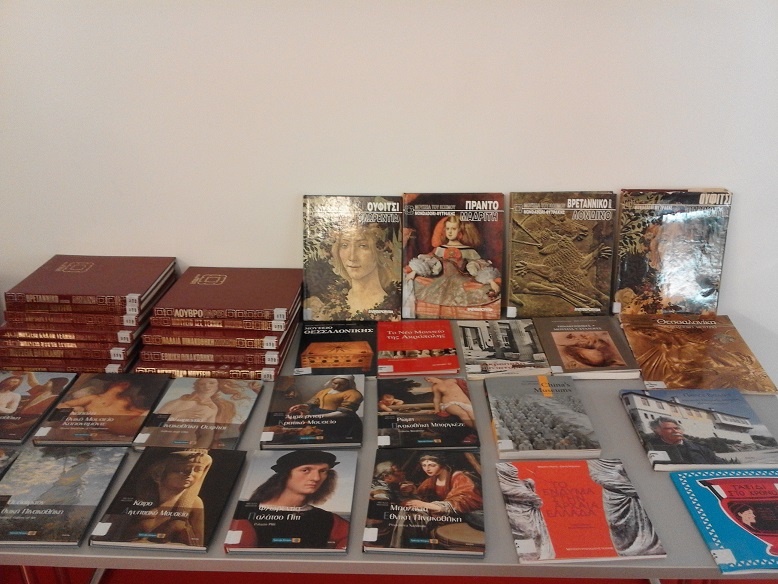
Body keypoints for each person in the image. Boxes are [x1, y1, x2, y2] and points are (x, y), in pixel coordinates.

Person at [228, 450, 349, 549]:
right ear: (285, 475)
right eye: (305, 470)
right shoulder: (239, 512)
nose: (316, 478)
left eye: (323, 471)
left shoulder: (329, 520)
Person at [106, 449, 212, 546]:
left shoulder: (194, 503)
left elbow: (198, 546)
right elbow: (108, 535)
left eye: (197, 469)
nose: (190, 474)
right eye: (181, 470)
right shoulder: (135, 499)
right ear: (158, 474)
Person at [405, 214, 500, 318]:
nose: (450, 232)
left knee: (485, 292)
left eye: (453, 229)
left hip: (461, 281)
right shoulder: (440, 248)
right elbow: (429, 261)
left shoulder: (468, 250)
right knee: (413, 284)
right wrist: (415, 271)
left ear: (460, 231)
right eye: (448, 228)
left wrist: (491, 281)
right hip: (439, 280)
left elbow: (480, 265)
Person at [305, 223, 401, 321]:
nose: (352, 257)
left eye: (363, 246)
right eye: (344, 245)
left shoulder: (397, 308)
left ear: (379, 251)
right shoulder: (330, 308)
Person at [154, 378, 253, 447]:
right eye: (202, 384)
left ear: (218, 385)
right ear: (197, 386)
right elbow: (153, 422)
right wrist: (180, 415)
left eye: (211, 383)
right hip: (158, 444)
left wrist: (199, 450)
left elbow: (207, 435)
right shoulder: (179, 402)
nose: (207, 386)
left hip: (184, 446)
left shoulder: (212, 408)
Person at [287, 375, 364, 441]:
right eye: (335, 383)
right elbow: (314, 403)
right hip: (319, 419)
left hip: (339, 421)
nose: (337, 386)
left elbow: (344, 413)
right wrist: (301, 406)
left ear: (349, 384)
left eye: (342, 384)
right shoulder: (325, 391)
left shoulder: (353, 394)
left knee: (332, 439)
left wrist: (317, 417)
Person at [646, 417, 727, 465]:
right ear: (658, 432)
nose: (675, 431)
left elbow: (721, 465)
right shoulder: (650, 449)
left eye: (677, 428)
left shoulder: (701, 448)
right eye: (668, 429)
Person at [427, 376, 476, 441]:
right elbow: (436, 398)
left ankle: (476, 430)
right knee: (463, 414)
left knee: (473, 415)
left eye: (429, 379)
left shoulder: (452, 379)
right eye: (427, 380)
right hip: (449, 403)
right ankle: (476, 430)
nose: (429, 381)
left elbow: (465, 385)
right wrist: (436, 409)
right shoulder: (435, 387)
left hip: (464, 401)